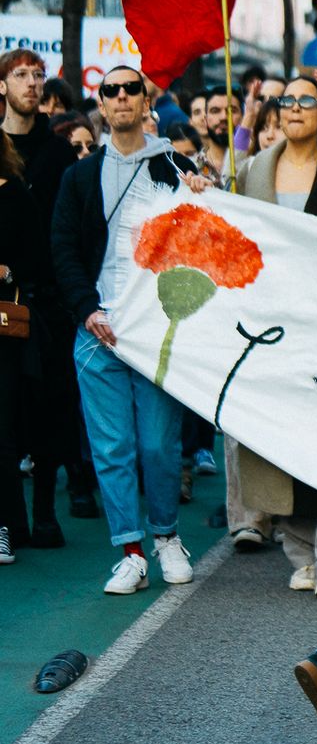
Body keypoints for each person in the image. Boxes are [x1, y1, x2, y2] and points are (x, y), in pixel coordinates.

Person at [48, 65, 211, 594]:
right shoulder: (79, 176)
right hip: (98, 330)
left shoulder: (173, 166)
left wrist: (202, 194)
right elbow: (64, 248)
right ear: (101, 102)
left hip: (155, 329)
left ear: (147, 101)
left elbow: (205, 242)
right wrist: (86, 310)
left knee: (160, 446)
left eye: (130, 89)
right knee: (111, 447)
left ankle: (167, 537)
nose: (120, 97)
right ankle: (132, 550)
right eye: (110, 90)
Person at [229, 71, 317, 592]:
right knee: (278, 436)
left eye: (305, 101)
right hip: (270, 327)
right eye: (284, 101)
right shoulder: (250, 173)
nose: (292, 109)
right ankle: (301, 553)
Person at [3, 50, 94, 532]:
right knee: (8, 407)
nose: (33, 83)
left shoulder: (59, 153)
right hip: (5, 301)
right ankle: (15, 516)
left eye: (39, 75)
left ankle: (46, 509)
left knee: (53, 403)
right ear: (3, 87)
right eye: (21, 75)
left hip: (51, 298)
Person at [0, 133, 50, 561]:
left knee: (2, 430)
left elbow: (38, 258)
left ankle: (6, 526)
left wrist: (8, 269)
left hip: (4, 328)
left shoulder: (15, 195)